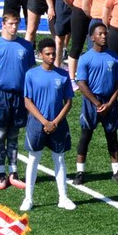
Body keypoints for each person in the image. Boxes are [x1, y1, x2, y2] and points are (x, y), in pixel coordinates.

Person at [19, 38, 76, 212]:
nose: (52, 57)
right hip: (37, 124)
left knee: (59, 159)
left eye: (54, 54)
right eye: (48, 54)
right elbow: (27, 101)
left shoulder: (63, 75)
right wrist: (45, 122)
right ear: (40, 55)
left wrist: (55, 122)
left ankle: (63, 197)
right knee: (33, 159)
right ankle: (28, 198)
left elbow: (68, 102)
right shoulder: (31, 74)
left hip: (58, 125)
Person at [0, 14, 35, 191]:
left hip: (19, 96)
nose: (14, 27)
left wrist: (29, 100)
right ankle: (0, 174)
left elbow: (29, 76)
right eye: (11, 24)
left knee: (14, 135)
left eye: (16, 24)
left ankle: (13, 173)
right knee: (1, 135)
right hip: (1, 96)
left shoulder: (26, 47)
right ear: (3, 24)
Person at [73, 33, 118, 182]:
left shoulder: (114, 57)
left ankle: (117, 170)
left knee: (112, 136)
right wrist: (97, 103)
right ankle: (80, 172)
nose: (104, 36)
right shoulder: (85, 58)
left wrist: (110, 103)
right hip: (92, 102)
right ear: (92, 38)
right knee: (86, 136)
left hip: (110, 102)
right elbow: (81, 83)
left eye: (105, 34)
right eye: (100, 34)